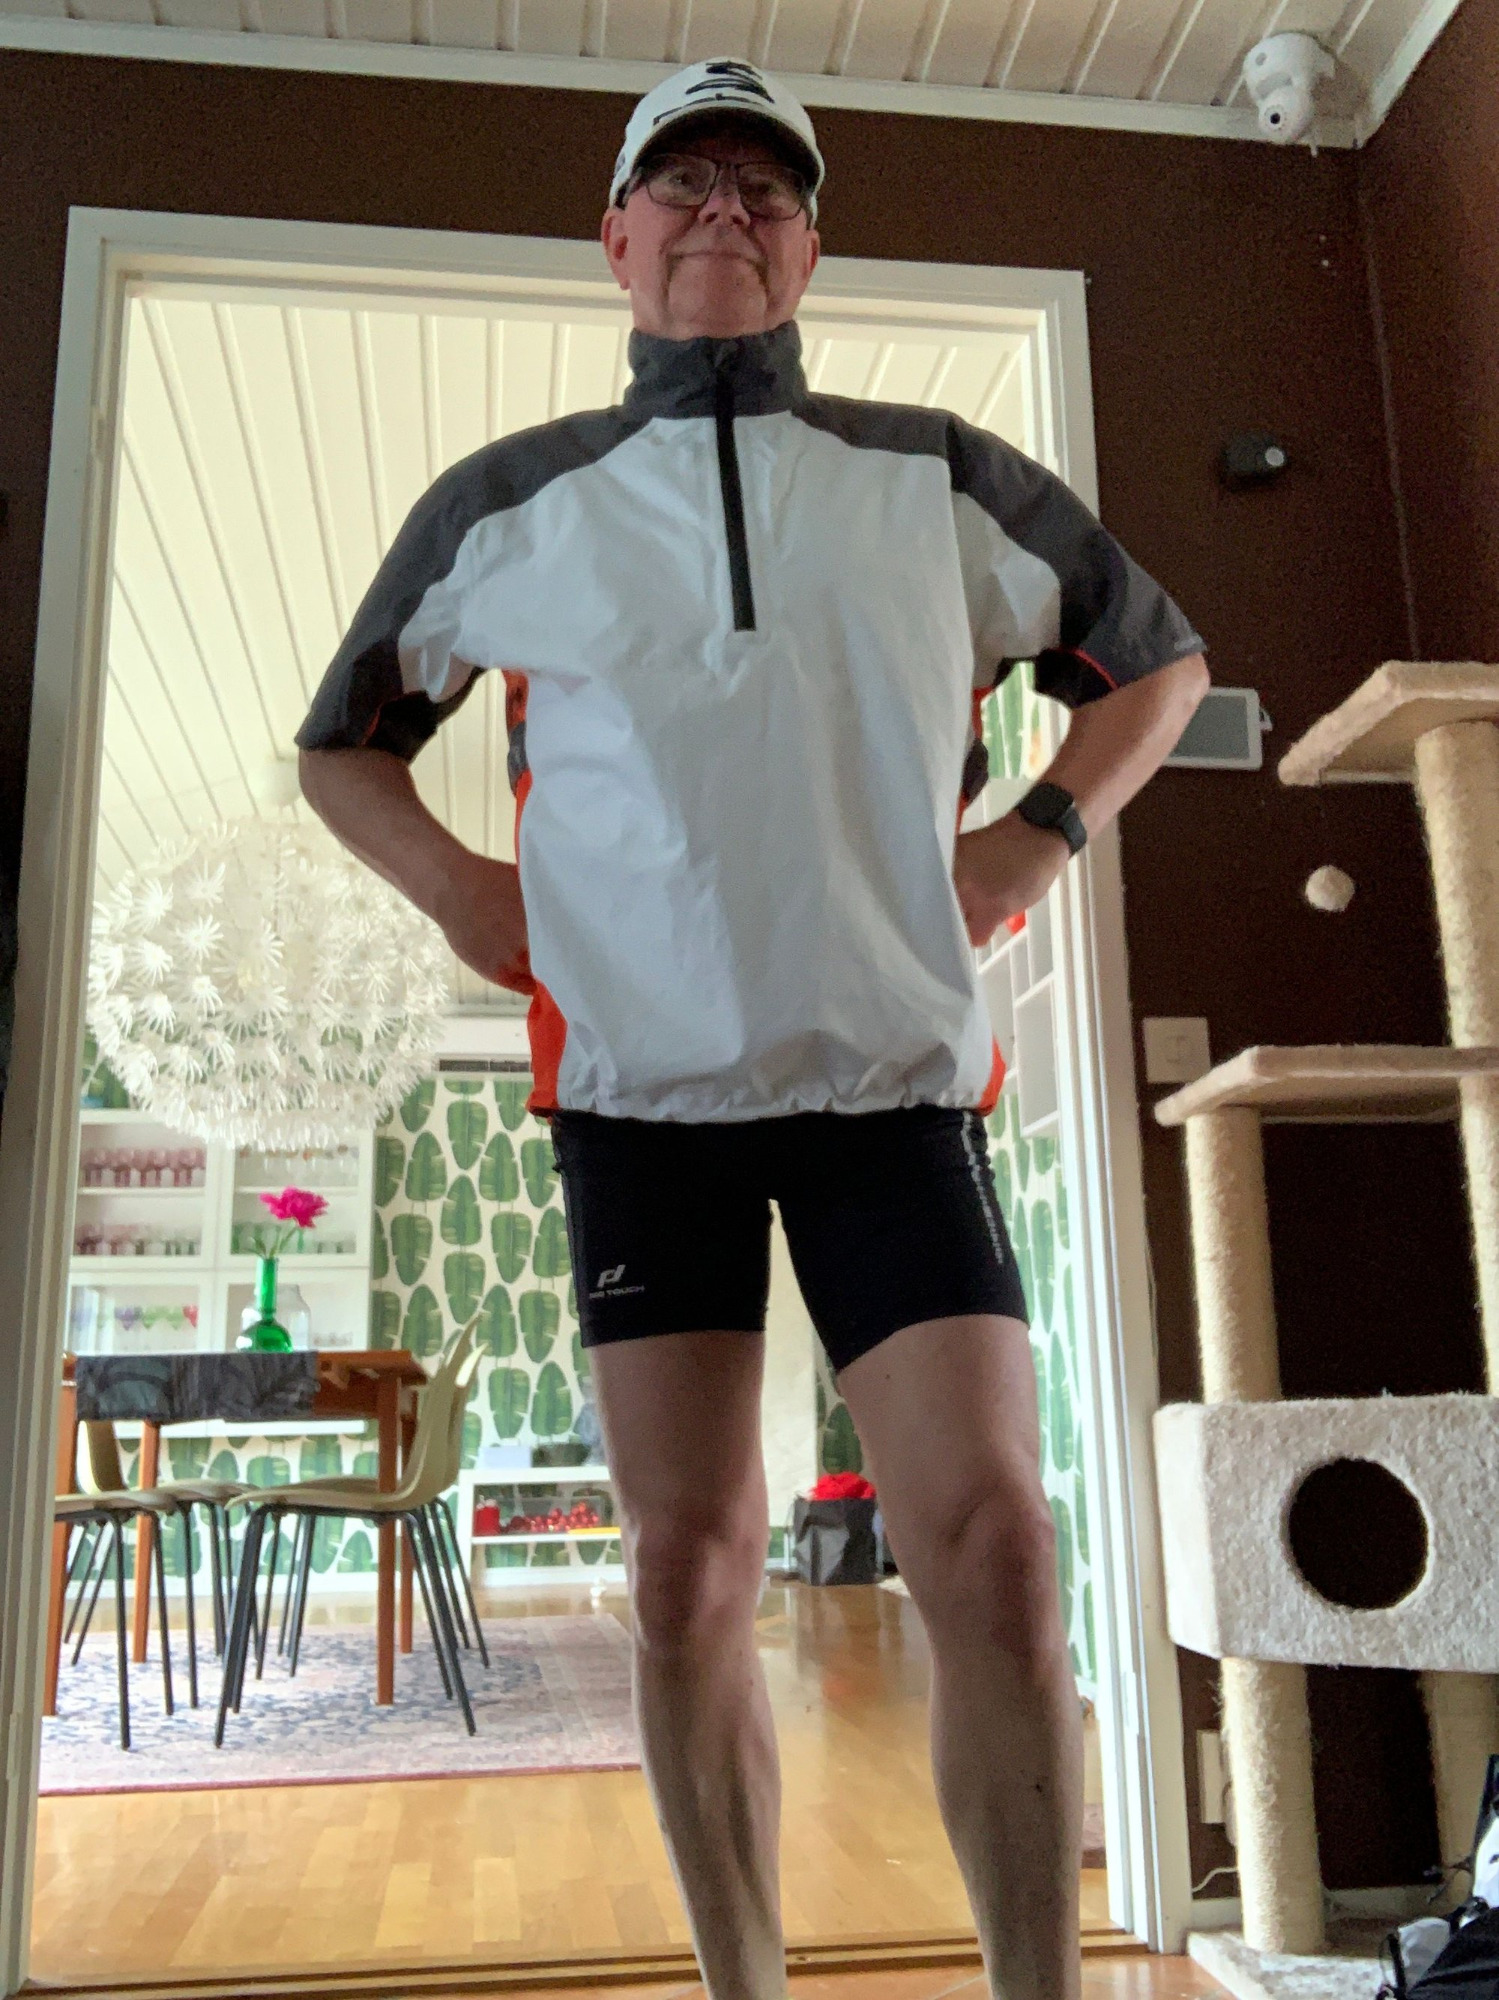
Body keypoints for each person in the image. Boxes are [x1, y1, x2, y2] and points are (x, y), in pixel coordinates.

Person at [298, 57, 1208, 2000]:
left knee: (999, 1545)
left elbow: (1157, 664)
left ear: (806, 252)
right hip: (640, 1103)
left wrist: (1034, 837)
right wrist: (463, 893)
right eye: (685, 185)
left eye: (765, 192)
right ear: (615, 240)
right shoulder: (509, 504)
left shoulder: (939, 475)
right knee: (685, 1567)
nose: (725, 212)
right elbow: (341, 746)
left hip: (891, 1087)